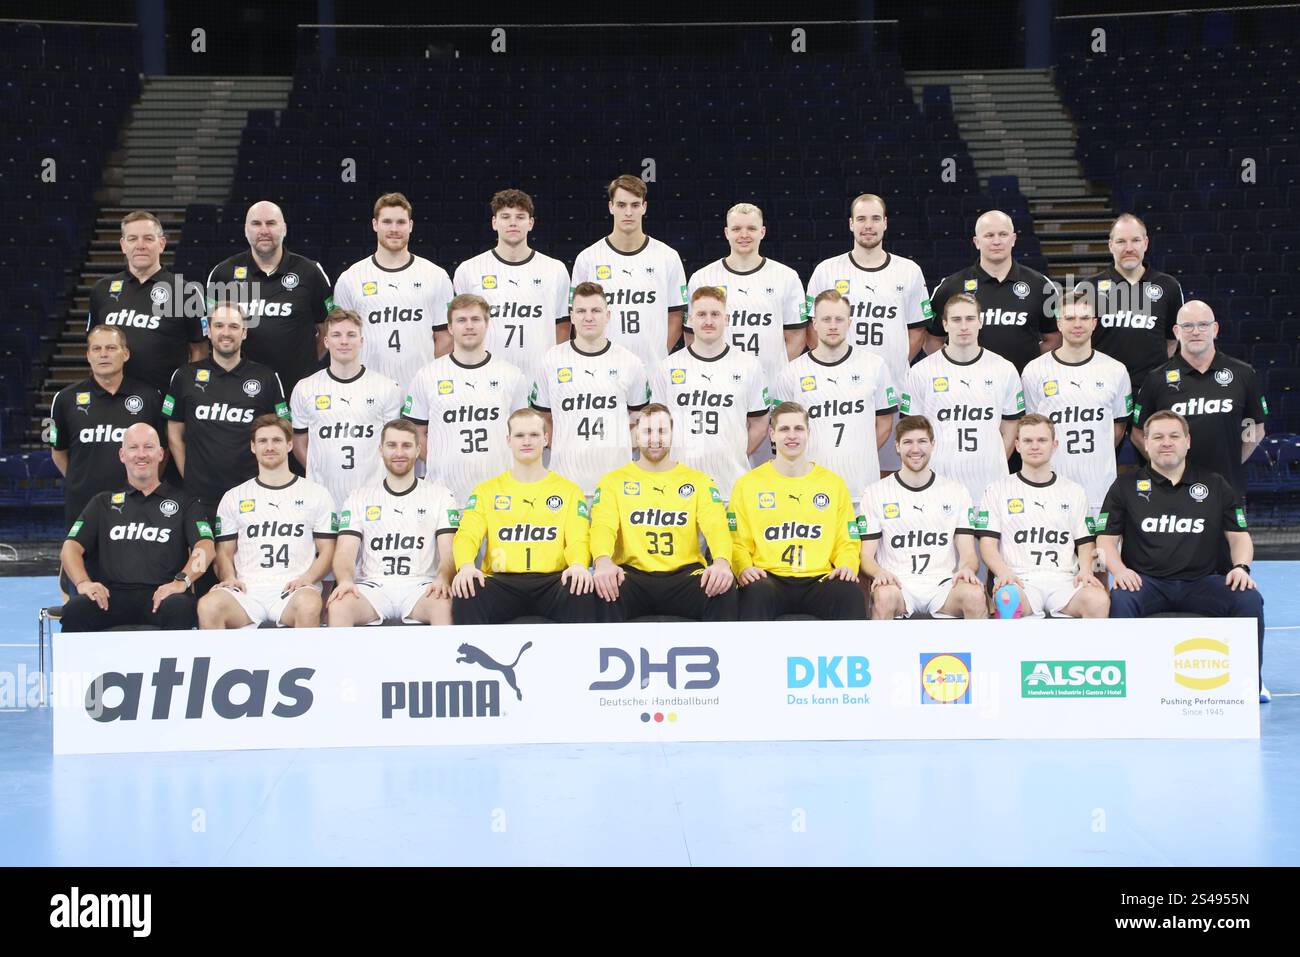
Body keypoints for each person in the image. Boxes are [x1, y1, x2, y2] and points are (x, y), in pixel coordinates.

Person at [1096, 409, 1268, 701]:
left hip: (1202, 582)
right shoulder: (1124, 486)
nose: (1166, 442)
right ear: (1145, 443)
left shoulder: (1214, 484)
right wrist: (1120, 570)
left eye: (1174, 436)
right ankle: (1124, 686)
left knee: (1248, 597)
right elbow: (1106, 540)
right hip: (1147, 583)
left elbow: (1239, 536)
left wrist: (1241, 567)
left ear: (1187, 441)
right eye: (1158, 437)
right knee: (1121, 600)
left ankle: (1251, 680)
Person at [59, 423, 214, 631]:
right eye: (133, 448)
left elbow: (206, 547)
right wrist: (83, 583)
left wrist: (182, 581)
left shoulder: (186, 503)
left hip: (163, 595)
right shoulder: (102, 503)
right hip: (111, 597)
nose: (141, 454)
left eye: (148, 447)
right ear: (122, 455)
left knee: (180, 607)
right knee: (76, 610)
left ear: (160, 454)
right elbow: (70, 548)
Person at [590, 404, 737, 621]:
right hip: (632, 574)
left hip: (685, 574)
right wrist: (602, 562)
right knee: (604, 586)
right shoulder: (613, 481)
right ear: (636, 435)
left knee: (724, 587)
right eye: (648, 431)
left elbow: (716, 527)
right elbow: (603, 526)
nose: (655, 438)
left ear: (672, 434)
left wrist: (722, 563)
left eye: (661, 431)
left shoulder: (699, 481)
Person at [451, 408, 596, 624]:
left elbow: (578, 538)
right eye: (519, 435)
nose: (527, 441)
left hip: (552, 581)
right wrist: (465, 566)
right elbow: (467, 535)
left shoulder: (569, 490)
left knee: (581, 588)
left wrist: (578, 564)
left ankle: (579, 657)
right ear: (508, 440)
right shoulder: (486, 490)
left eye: (534, 435)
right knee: (467, 592)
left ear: (546, 439)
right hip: (500, 582)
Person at [730, 402, 865, 620]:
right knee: (755, 591)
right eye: (784, 429)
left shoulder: (833, 484)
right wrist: (744, 567)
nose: (792, 436)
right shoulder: (748, 484)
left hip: (819, 578)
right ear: (772, 434)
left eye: (798, 429)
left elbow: (846, 540)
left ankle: (850, 654)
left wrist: (846, 565)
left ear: (808, 433)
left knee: (849, 593)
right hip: (769, 577)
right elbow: (737, 541)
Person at [198, 415, 336, 629]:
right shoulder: (234, 497)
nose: (269, 447)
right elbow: (224, 552)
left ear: (290, 444)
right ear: (253, 447)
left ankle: (305, 661)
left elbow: (328, 550)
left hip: (294, 588)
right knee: (208, 605)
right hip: (247, 590)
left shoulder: (316, 493)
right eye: (262, 441)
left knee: (309, 604)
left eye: (277, 440)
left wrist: (308, 578)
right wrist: (228, 577)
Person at [976, 414, 1109, 619]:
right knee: (1007, 598)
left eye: (1042, 440)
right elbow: (987, 546)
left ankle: (1085, 652)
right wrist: (1003, 572)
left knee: (1098, 600)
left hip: (1065, 579)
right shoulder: (997, 490)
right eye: (1028, 441)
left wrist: (1086, 571)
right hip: (1019, 579)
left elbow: (1085, 543)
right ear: (1017, 445)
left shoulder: (1074, 491)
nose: (1035, 446)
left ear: (1054, 445)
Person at [327, 420, 458, 626]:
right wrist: (344, 581)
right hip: (373, 586)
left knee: (443, 604)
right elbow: (344, 552)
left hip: (421, 584)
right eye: (392, 445)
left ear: (418, 450)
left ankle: (442, 659)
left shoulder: (440, 495)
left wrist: (443, 578)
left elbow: (449, 552)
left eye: (406, 446)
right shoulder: (359, 497)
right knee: (340, 605)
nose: (399, 452)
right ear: (381, 449)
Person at [402, 293, 530, 503]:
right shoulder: (427, 375)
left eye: (475, 319)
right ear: (450, 328)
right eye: (461, 320)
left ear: (487, 324)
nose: (469, 326)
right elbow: (415, 432)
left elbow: (522, 433)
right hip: (445, 495)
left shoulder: (511, 375)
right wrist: (440, 462)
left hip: (501, 495)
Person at [1132, 300, 1267, 498]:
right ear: (1177, 332)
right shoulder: (1156, 379)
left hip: (1227, 490)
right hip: (1172, 491)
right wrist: (1165, 465)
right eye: (1187, 326)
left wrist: (1232, 461)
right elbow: (1137, 433)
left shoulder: (1243, 374)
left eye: (1203, 325)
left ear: (1215, 329)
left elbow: (1256, 428)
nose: (1195, 332)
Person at [164, 303, 289, 513]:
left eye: (233, 326)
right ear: (209, 331)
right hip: (200, 496)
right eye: (219, 325)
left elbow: (281, 433)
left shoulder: (266, 377)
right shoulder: (184, 376)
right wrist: (190, 477)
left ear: (244, 332)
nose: (226, 333)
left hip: (252, 494)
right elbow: (174, 433)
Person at [858, 416, 986, 620]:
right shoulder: (875, 493)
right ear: (897, 446)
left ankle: (982, 652)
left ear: (933, 444)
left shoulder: (956, 491)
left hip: (943, 584)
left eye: (922, 442)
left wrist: (967, 569)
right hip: (897, 584)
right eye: (908, 442)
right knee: (883, 595)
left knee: (975, 594)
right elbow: (866, 557)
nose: (915, 449)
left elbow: (969, 554)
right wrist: (879, 573)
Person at [1021, 286, 1132, 521]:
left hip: (1100, 487)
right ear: (1059, 323)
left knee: (1099, 556)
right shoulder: (1034, 370)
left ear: (1094, 323)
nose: (1077, 324)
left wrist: (1097, 453)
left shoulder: (1116, 370)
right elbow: (1030, 426)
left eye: (1084, 318)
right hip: (1050, 485)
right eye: (1069, 318)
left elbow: (1119, 426)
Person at [529, 281, 650, 496]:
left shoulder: (630, 361)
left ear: (608, 315)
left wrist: (620, 447)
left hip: (617, 483)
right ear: (572, 316)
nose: (588, 317)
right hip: (565, 482)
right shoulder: (551, 359)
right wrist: (566, 446)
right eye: (581, 311)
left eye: (596, 310)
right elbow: (542, 417)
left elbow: (640, 417)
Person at [775, 289, 896, 502]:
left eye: (839, 319)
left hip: (862, 489)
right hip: (809, 490)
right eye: (826, 319)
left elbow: (885, 423)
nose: (832, 325)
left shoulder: (874, 366)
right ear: (814, 324)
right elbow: (783, 433)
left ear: (849, 323)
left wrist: (859, 452)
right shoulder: (791, 372)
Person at [652, 286, 770, 502]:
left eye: (715, 314)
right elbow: (657, 426)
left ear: (726, 319)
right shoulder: (667, 367)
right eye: (701, 314)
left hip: (731, 486)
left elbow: (760, 424)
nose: (708, 321)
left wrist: (732, 454)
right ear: (690, 319)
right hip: (679, 488)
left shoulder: (749, 366)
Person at [902, 293, 1024, 501]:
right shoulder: (921, 372)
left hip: (990, 482)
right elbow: (911, 430)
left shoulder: (1003, 369)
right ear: (945, 324)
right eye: (956, 320)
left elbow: (1011, 426)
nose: (964, 326)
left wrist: (993, 461)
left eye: (969, 319)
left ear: (980, 322)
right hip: (938, 483)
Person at [205, 200, 333, 397]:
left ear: (284, 229)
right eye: (256, 224)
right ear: (246, 230)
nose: (264, 230)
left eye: (271, 223)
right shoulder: (222, 274)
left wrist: (304, 364)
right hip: (238, 392)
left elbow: (328, 329)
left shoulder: (310, 272)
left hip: (298, 390)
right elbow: (210, 331)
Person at [332, 191, 456, 386]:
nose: (394, 229)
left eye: (401, 222)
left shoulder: (436, 276)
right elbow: (339, 339)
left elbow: (445, 338)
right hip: (366, 389)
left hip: (419, 389)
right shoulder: (350, 279)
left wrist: (428, 379)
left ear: (411, 226)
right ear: (375, 224)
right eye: (387, 222)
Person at [452, 188, 572, 388]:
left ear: (531, 223)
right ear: (494, 222)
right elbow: (459, 330)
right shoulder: (469, 270)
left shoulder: (555, 270)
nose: (513, 222)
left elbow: (562, 325)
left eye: (520, 217)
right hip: (485, 379)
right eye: (505, 217)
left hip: (540, 379)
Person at [50, 324, 164, 532]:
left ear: (126, 353)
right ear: (88, 355)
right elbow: (58, 453)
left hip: (137, 508)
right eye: (97, 349)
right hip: (83, 508)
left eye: (111, 348)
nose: (103, 354)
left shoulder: (149, 397)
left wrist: (146, 484)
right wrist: (81, 482)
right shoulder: (65, 399)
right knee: (77, 563)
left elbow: (162, 452)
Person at [570, 174, 687, 370]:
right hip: (601, 366)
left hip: (651, 368)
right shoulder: (588, 258)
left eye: (635, 205)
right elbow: (576, 317)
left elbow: (676, 315)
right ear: (611, 207)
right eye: (622, 205)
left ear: (644, 207)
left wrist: (656, 353)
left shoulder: (668, 257)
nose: (628, 212)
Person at [290, 308, 403, 509]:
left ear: (361, 341)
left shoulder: (387, 387)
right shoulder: (305, 388)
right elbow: (299, 441)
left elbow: (394, 444)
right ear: (326, 341)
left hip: (373, 498)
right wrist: (319, 472)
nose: (344, 341)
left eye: (351, 335)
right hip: (322, 499)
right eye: (336, 335)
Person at [686, 202, 807, 387]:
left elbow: (797, 335)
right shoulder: (702, 278)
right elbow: (691, 335)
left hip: (771, 384)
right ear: (726, 233)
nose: (744, 235)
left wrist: (774, 371)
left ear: (762, 232)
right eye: (736, 229)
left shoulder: (786, 277)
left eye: (751, 228)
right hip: (718, 383)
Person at [925, 209, 1060, 373]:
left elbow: (1055, 338)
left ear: (1013, 239)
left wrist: (1031, 369)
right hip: (969, 388)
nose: (996, 241)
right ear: (976, 242)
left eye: (1003, 234)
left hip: (1023, 386)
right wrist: (955, 371)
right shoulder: (950, 286)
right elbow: (931, 339)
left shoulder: (1040, 285)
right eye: (989, 235)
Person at [86, 210, 206, 393]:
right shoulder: (101, 290)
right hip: (112, 400)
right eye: (132, 238)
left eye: (148, 239)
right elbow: (94, 346)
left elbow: (199, 348)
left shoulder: (186, 291)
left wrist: (190, 392)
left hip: (164, 402)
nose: (140, 246)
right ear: (123, 245)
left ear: (162, 244)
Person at [1075, 213, 1185, 391]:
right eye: (1121, 242)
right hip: (1100, 388)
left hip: (1152, 388)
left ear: (1146, 243)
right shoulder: (1087, 287)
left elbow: (1172, 340)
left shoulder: (1169, 286)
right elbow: (1076, 339)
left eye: (1135, 240)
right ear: (1110, 245)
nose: (1129, 248)